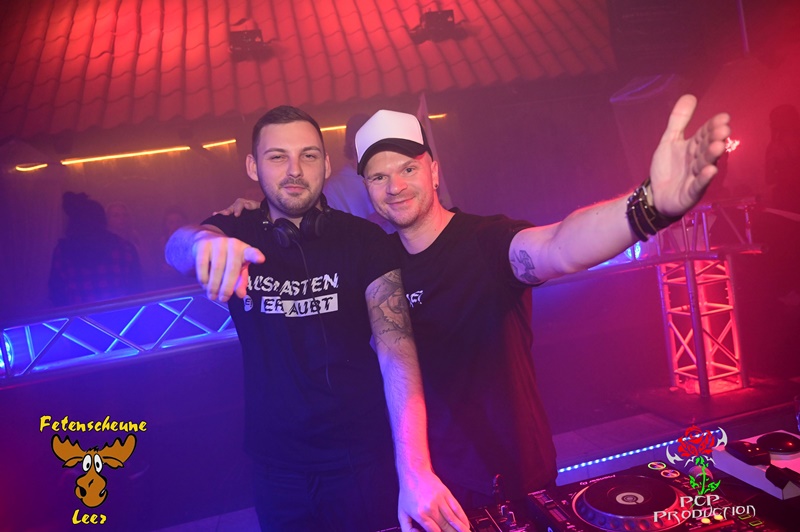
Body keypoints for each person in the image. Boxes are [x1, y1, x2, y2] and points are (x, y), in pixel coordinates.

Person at [216, 96, 731, 508]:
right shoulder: (374, 258)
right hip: (421, 485)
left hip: (509, 476)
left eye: (408, 169)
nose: (395, 186)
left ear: (434, 171)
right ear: (365, 187)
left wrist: (647, 207)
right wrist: (245, 217)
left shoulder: (486, 242)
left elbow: (559, 246)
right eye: (378, 176)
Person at [164, 106, 468, 532]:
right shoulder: (233, 232)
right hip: (275, 468)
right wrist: (200, 243)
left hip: (363, 459)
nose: (294, 170)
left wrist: (414, 469)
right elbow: (175, 248)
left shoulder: (365, 241)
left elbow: (396, 350)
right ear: (253, 166)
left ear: (326, 165)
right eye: (277, 157)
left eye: (308, 155)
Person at [48, 192, 143, 306]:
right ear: (103, 220)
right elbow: (137, 289)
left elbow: (56, 294)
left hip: (77, 315)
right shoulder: (124, 248)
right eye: (115, 215)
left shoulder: (63, 252)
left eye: (124, 215)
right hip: (123, 314)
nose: (121, 219)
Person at [323, 113, 394, 232]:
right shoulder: (334, 189)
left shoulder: (391, 175)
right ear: (352, 144)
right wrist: (367, 226)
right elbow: (333, 233)